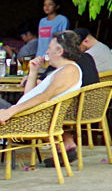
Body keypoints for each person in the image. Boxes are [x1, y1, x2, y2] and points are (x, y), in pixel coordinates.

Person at [0, 32, 90, 161]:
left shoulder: (69, 70)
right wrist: (33, 71)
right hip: (24, 116)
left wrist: (9, 112)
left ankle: (65, 143)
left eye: (49, 48)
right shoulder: (61, 70)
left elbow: (44, 97)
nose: (46, 52)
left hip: (24, 119)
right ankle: (65, 144)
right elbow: (29, 96)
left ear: (60, 51)